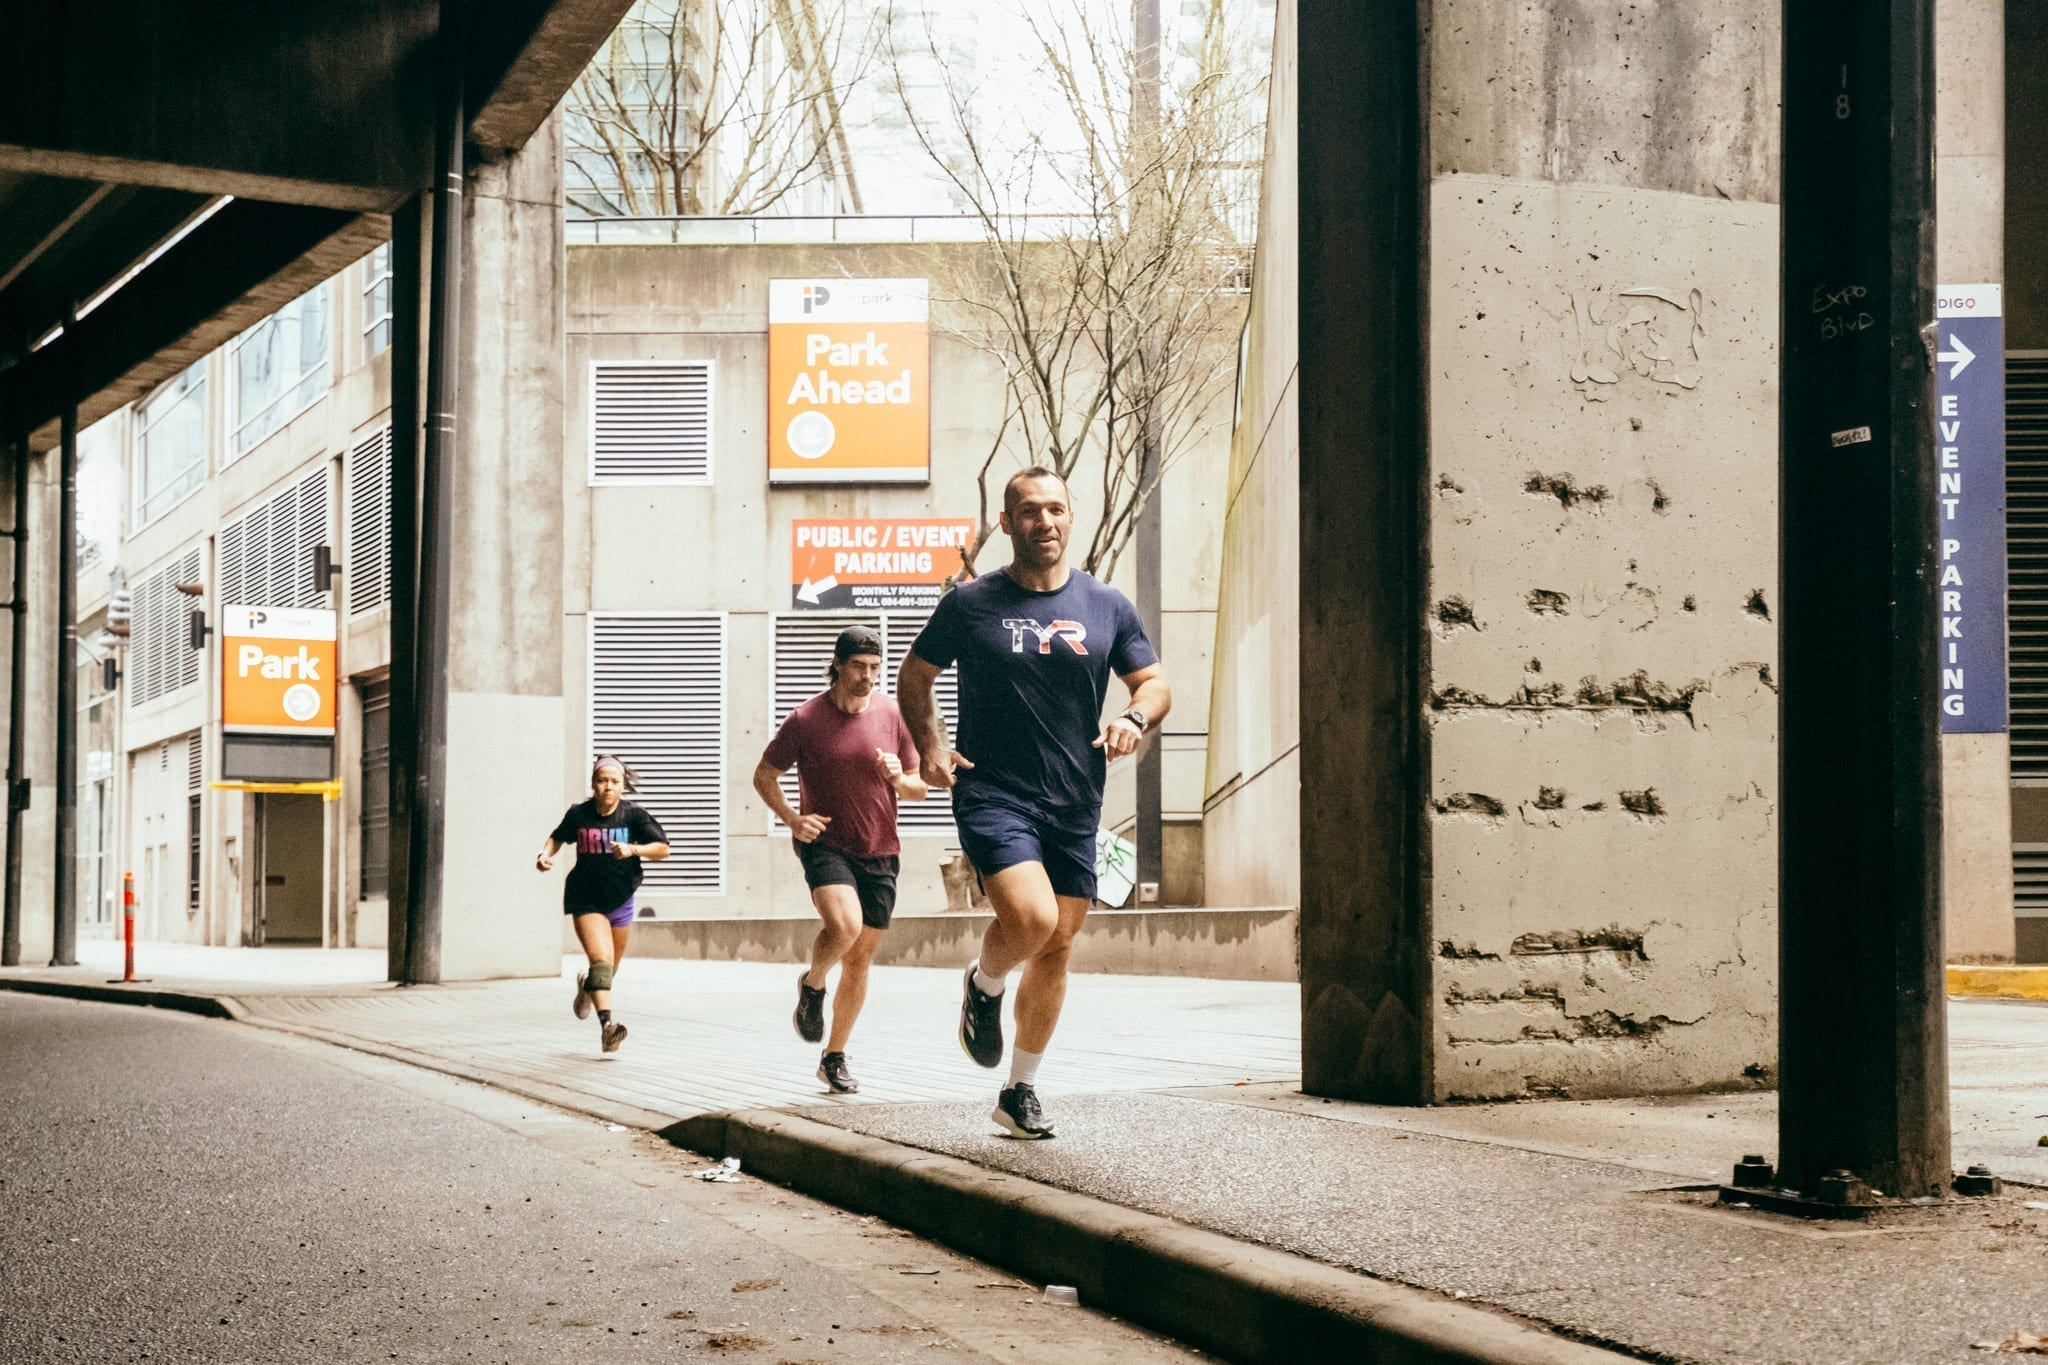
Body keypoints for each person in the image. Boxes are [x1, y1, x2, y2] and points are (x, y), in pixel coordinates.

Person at [899, 468, 1171, 1139]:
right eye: (1028, 511)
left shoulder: (1107, 604)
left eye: (1055, 509)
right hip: (992, 790)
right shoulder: (970, 603)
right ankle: (984, 983)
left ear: (1070, 516)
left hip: (1075, 798)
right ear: (1006, 521)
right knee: (1032, 917)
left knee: (1057, 946)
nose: (1043, 521)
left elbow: (1155, 681)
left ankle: (1018, 1089)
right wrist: (930, 746)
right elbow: (915, 673)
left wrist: (1134, 717)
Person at [753, 627, 927, 1094]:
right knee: (845, 927)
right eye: (859, 667)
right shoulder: (806, 719)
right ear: (838, 664)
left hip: (881, 849)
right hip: (826, 843)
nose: (868, 677)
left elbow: (918, 786)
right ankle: (812, 985)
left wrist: (898, 777)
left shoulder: (893, 713)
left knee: (860, 961)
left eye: (875, 668)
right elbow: (765, 774)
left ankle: (833, 1056)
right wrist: (792, 818)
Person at [537, 755, 669, 1054]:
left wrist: (634, 848)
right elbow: (556, 838)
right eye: (602, 781)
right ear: (593, 784)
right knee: (602, 962)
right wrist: (545, 855)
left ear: (622, 786)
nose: (608, 787)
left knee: (609, 970)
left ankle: (587, 989)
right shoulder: (579, 815)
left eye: (614, 782)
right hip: (585, 897)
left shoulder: (634, 817)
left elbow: (663, 849)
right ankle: (608, 1027)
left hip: (621, 898)